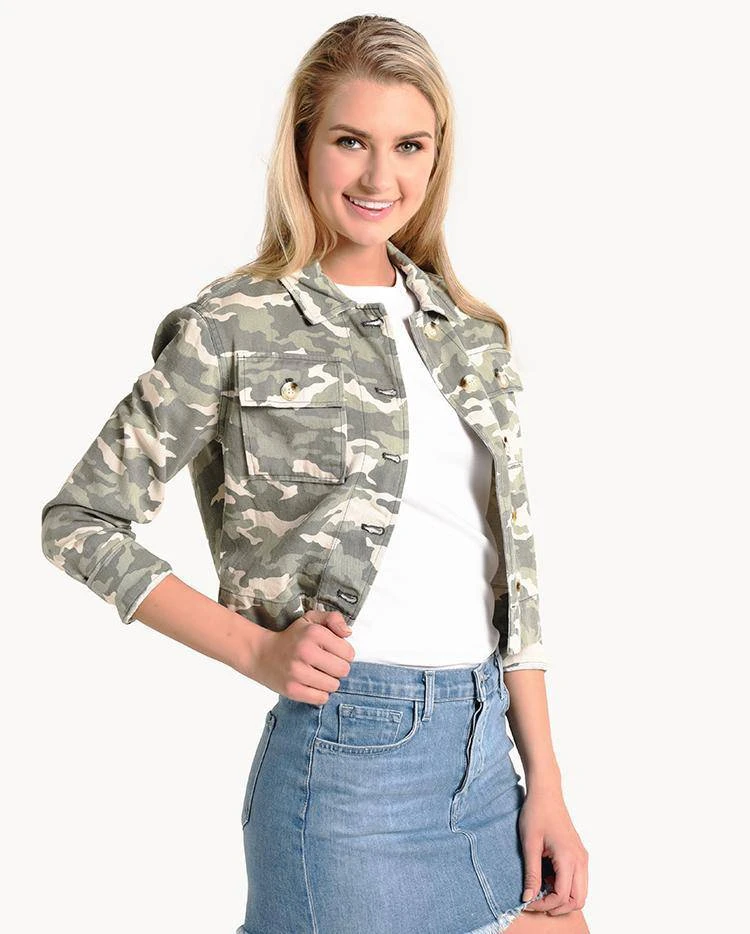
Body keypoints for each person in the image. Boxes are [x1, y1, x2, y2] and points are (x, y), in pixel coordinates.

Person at [40, 14, 589, 934]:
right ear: (303, 146)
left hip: (488, 758)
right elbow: (80, 521)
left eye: (409, 145)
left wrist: (550, 784)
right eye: (351, 141)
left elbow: (510, 584)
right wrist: (254, 651)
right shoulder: (232, 323)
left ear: (437, 155)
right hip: (348, 772)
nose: (380, 178)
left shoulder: (468, 332)